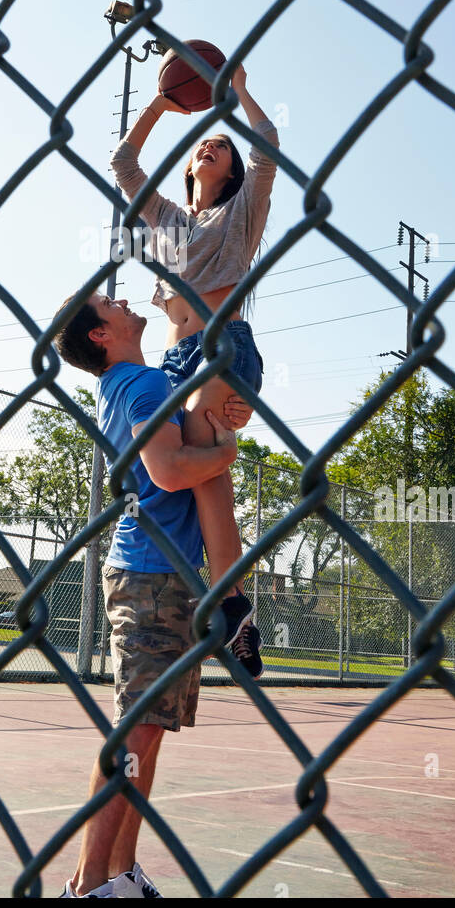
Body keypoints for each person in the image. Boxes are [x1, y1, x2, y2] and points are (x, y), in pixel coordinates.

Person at [52, 290, 250, 898]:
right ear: (99, 336)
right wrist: (223, 450)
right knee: (135, 731)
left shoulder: (142, 380)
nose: (119, 298)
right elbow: (169, 471)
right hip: (150, 577)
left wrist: (218, 409)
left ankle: (122, 875)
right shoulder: (138, 389)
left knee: (151, 731)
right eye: (106, 303)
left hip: (168, 576)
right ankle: (87, 888)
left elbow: (188, 362)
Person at [110, 58, 278, 676]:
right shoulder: (168, 222)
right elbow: (124, 165)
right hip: (175, 361)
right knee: (199, 478)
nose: (211, 147)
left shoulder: (241, 216)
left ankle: (232, 602)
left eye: (222, 148)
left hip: (222, 347)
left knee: (207, 470)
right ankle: (230, 604)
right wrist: (163, 104)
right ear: (189, 165)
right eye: (203, 144)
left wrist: (236, 91)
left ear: (231, 171)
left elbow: (268, 152)